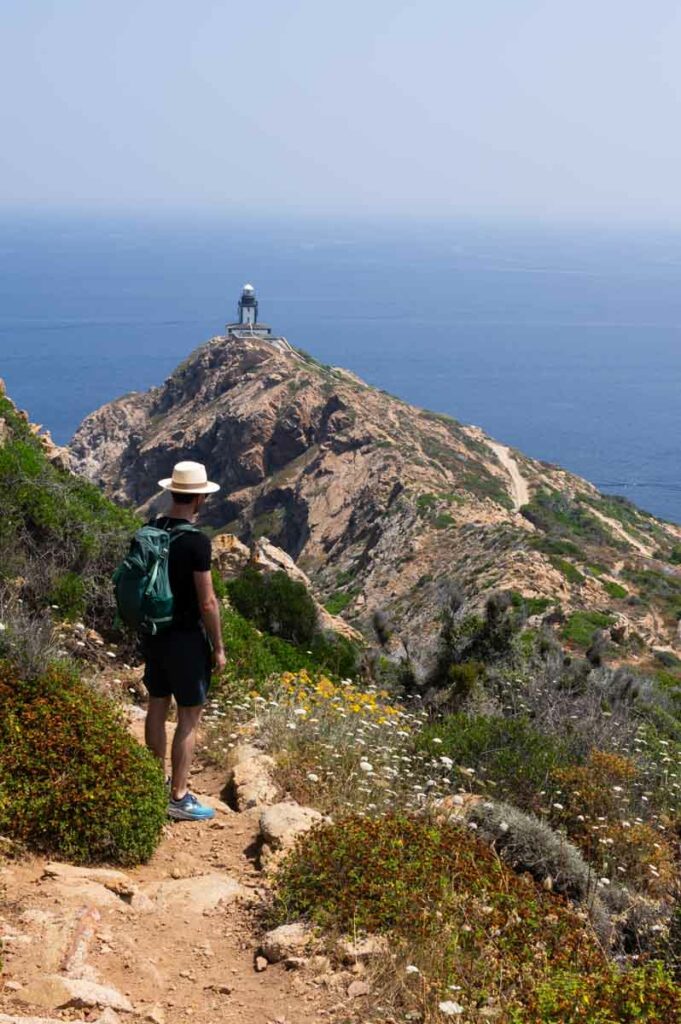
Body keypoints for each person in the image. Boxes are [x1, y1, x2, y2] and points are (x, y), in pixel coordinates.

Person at [142, 461, 227, 821]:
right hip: (187, 640)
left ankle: (149, 783)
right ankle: (177, 797)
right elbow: (207, 601)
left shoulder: (151, 529)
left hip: (154, 633)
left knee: (157, 705)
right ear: (199, 500)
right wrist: (219, 647)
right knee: (189, 716)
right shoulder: (196, 542)